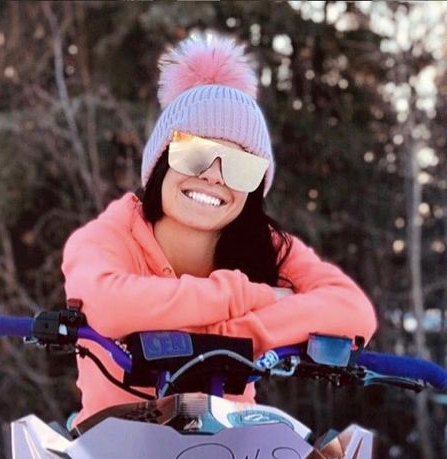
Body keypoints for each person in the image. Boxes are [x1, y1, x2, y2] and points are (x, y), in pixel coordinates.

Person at [62, 33, 377, 426]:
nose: (214, 176)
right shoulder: (108, 235)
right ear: (161, 161)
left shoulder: (267, 246)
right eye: (195, 153)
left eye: (240, 166)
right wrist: (247, 295)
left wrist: (234, 333)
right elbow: (107, 304)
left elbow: (352, 310)